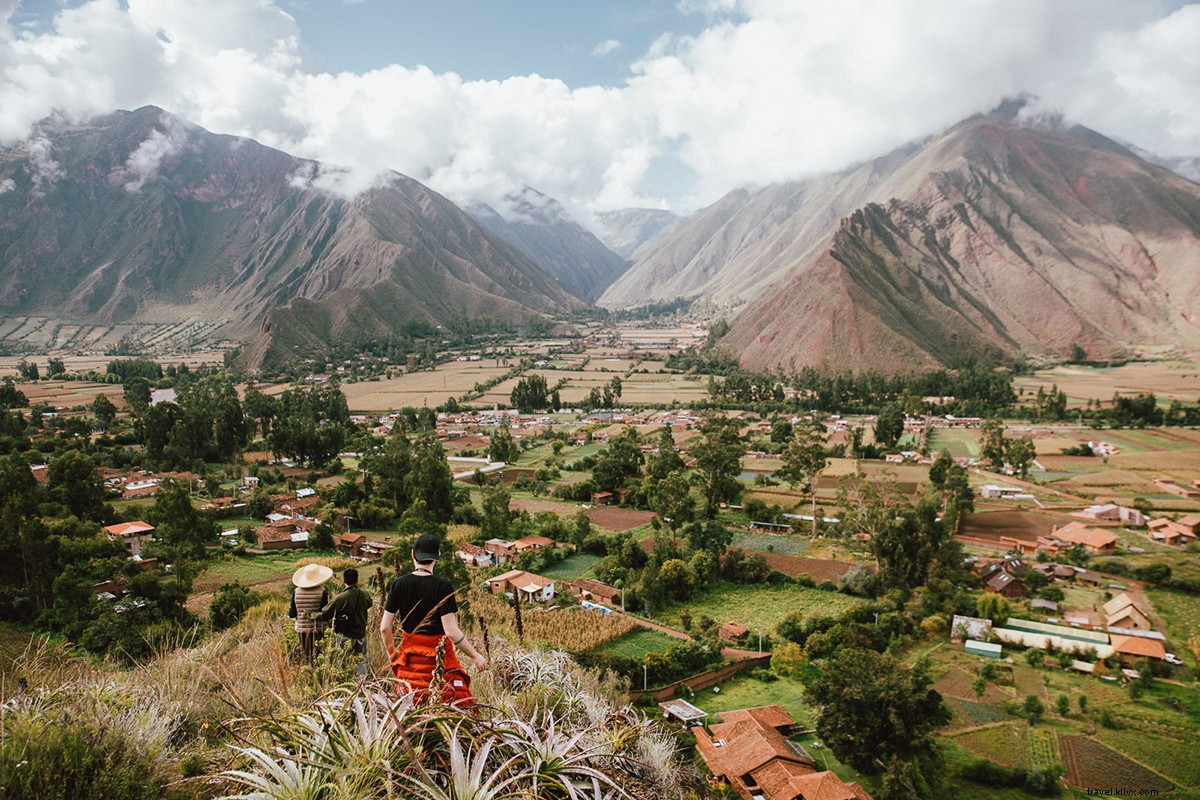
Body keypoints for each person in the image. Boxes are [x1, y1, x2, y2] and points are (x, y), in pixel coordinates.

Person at [380, 533, 486, 704]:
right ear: (438, 557)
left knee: (407, 705)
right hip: (440, 661)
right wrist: (474, 656)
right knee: (459, 705)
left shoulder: (398, 584)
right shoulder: (443, 587)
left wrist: (393, 656)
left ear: (413, 555)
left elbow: (384, 628)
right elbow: (451, 631)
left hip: (409, 662)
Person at [315, 567, 373, 676]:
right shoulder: (365, 594)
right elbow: (370, 604)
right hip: (361, 634)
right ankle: (362, 686)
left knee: (342, 662)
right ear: (357, 579)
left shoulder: (340, 598)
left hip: (345, 635)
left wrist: (309, 615)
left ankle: (346, 685)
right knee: (360, 661)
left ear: (344, 581)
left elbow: (325, 614)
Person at [289, 563, 332, 662]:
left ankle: (309, 673)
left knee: (307, 655)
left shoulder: (296, 592)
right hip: (319, 629)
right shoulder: (322, 591)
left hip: (302, 630)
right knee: (320, 655)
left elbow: (292, 614)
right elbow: (325, 613)